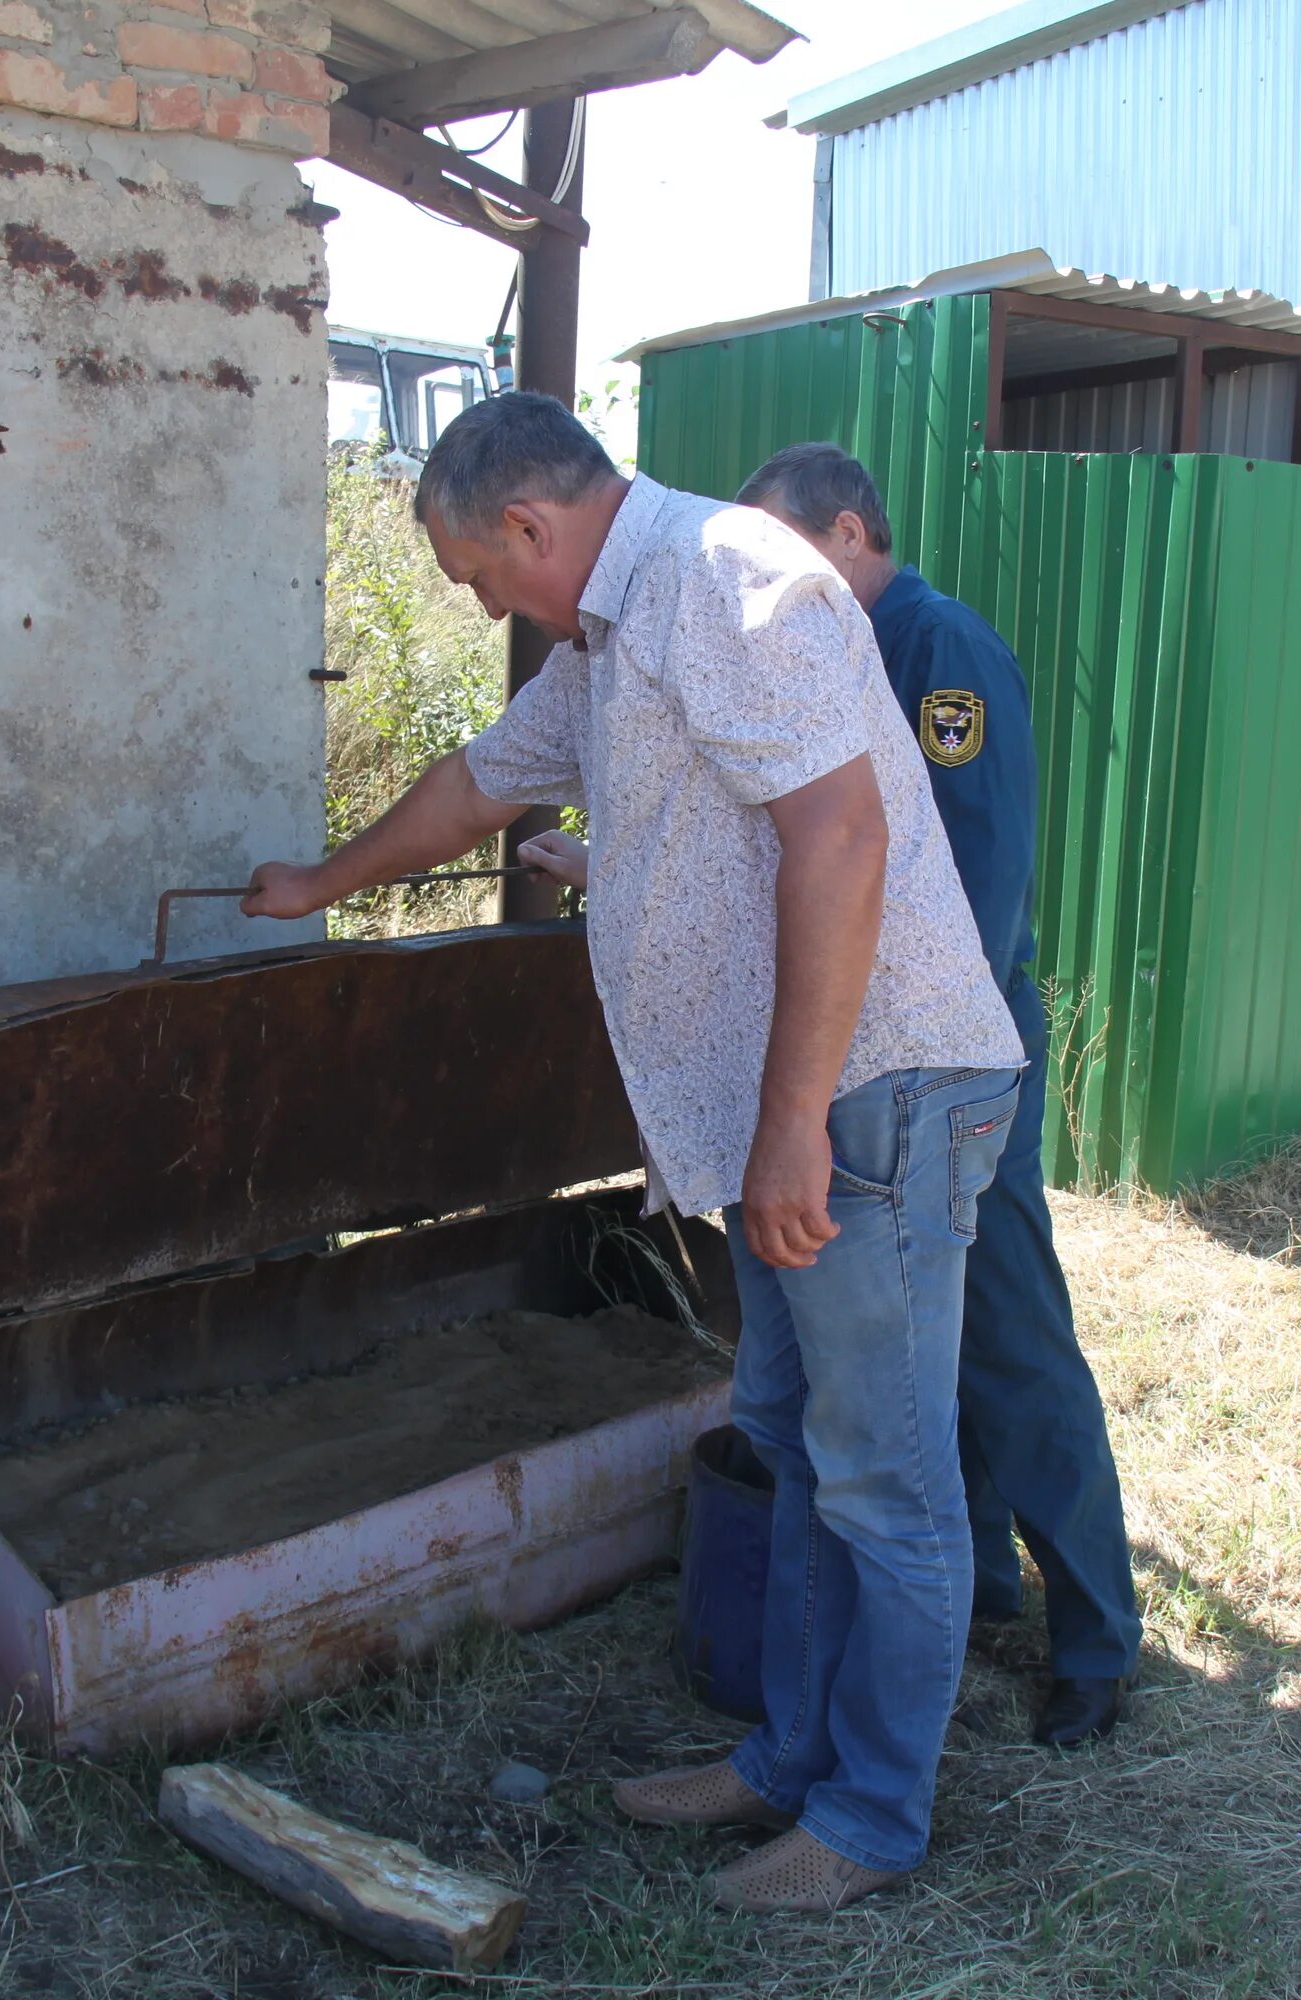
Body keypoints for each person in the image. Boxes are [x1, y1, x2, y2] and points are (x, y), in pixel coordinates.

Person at [241, 394, 1025, 1915]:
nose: (484, 604)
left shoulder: (733, 582)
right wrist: (324, 879)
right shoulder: (609, 637)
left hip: (873, 1095)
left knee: (884, 1477)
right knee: (796, 1443)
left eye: (479, 576)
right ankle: (791, 1761)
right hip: (790, 1104)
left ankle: (871, 1818)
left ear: (531, 529)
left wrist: (793, 1121)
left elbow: (844, 842)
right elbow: (484, 782)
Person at [523, 444, 1143, 1749]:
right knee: (908, 1367)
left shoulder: (934, 651)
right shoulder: (798, 654)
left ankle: (1098, 1637)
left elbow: (959, 894)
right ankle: (978, 1595)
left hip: (934, 1046)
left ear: (855, 534)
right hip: (842, 1060)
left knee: (1010, 1342)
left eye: (793, 561)